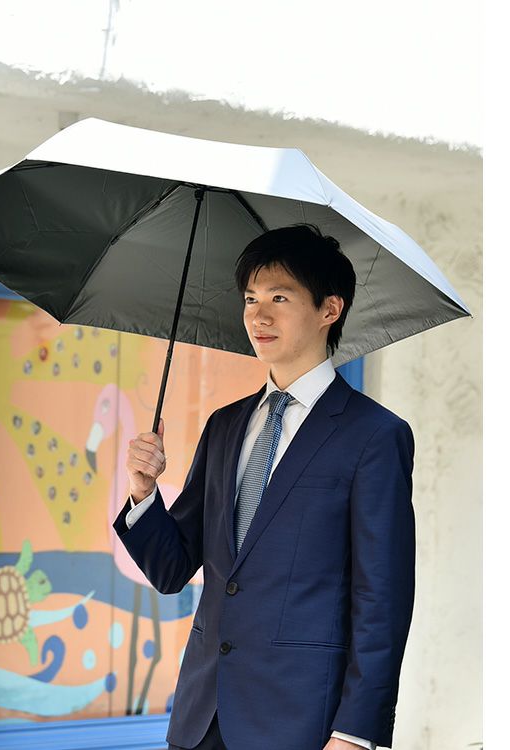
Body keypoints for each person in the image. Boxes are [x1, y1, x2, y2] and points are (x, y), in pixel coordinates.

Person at [112, 223, 416, 750]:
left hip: (302, 722)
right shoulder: (225, 425)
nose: (258, 315)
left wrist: (355, 732)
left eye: (280, 297)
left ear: (329, 309)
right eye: (250, 299)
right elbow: (172, 569)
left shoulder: (374, 435)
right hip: (202, 718)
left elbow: (382, 599)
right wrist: (144, 494)